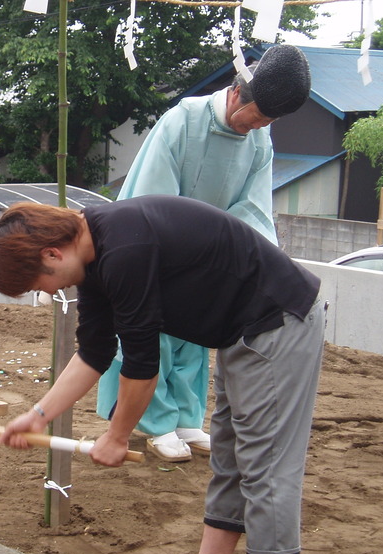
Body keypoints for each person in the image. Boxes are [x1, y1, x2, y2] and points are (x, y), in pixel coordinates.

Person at [0, 195, 325, 554]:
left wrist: (118, 435)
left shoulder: (125, 248)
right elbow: (94, 351)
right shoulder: (93, 257)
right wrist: (39, 415)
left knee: (266, 470)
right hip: (242, 332)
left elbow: (143, 364)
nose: (45, 291)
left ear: (53, 253)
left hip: (279, 322)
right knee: (231, 458)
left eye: (37, 283)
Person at [98, 44, 312, 462]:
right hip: (159, 245)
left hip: (209, 255)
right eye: (257, 117)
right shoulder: (184, 120)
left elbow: (253, 206)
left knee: (195, 336)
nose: (257, 127)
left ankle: (186, 418)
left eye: (268, 122)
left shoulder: (260, 138)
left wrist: (249, 260)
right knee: (152, 334)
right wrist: (174, 246)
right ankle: (154, 422)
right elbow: (152, 193)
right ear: (237, 94)